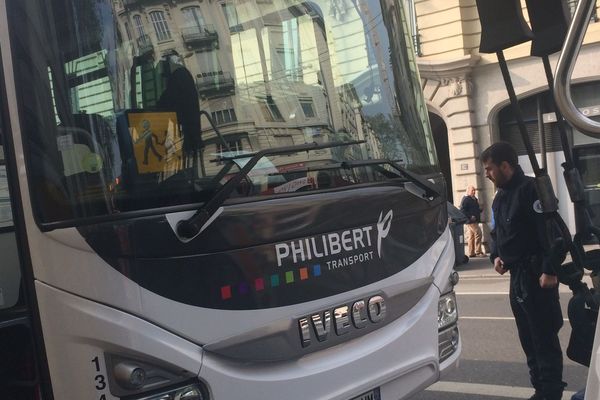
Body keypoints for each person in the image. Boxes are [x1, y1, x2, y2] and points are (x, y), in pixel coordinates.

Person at [481, 142, 565, 400]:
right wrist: (496, 256)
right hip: (516, 276)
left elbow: (555, 234)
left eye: (490, 169)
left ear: (505, 166)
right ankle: (539, 389)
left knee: (543, 338)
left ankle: (550, 392)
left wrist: (550, 270)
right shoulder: (501, 196)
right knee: (527, 338)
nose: (487, 174)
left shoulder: (532, 190)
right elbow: (498, 232)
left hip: (536, 275)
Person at [460, 185, 484, 257]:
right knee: (478, 233)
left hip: (474, 220)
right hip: (470, 221)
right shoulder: (466, 199)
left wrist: (479, 210)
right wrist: (470, 216)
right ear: (468, 191)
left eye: (474, 190)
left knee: (471, 236)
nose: (474, 192)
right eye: (472, 190)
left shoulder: (474, 199)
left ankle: (471, 253)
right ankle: (478, 251)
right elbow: (462, 210)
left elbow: (474, 208)